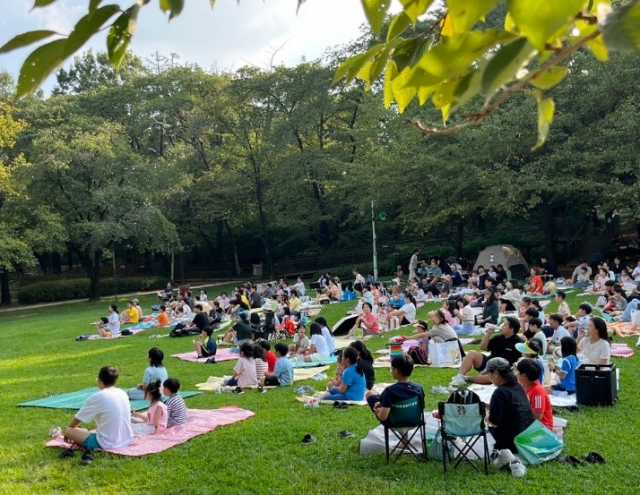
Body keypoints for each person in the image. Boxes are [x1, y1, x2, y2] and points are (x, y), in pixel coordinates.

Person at [59, 366, 133, 465]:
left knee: (69, 430)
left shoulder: (98, 396)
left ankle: (80, 433)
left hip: (107, 443)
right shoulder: (122, 393)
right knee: (80, 431)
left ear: (99, 380)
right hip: (126, 438)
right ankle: (81, 432)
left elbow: (76, 420)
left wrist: (70, 431)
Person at [484, 357, 533, 477]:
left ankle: (506, 455)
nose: (488, 378)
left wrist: (483, 414)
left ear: (496, 373)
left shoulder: (499, 392)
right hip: (526, 435)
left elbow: (494, 422)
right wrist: (484, 405)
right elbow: (508, 408)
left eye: (489, 374)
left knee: (486, 432)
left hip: (510, 439)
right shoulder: (518, 387)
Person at [450, 316, 522, 386]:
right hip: (490, 363)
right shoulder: (499, 338)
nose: (502, 326)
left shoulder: (517, 342)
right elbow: (483, 347)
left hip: (501, 369)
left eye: (505, 325)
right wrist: (488, 333)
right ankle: (460, 376)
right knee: (472, 353)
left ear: (511, 329)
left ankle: (466, 378)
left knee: (491, 378)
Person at [366, 354, 424, 422]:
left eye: (392, 368)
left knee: (370, 394)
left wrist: (379, 412)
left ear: (396, 371)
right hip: (414, 421)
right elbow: (421, 407)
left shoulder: (389, 391)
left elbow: (383, 418)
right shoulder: (418, 388)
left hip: (394, 423)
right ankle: (405, 432)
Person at [516, 359, 553, 431]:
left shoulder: (538, 392)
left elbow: (537, 416)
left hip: (541, 429)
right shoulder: (523, 386)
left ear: (523, 376)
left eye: (517, 371)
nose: (515, 373)